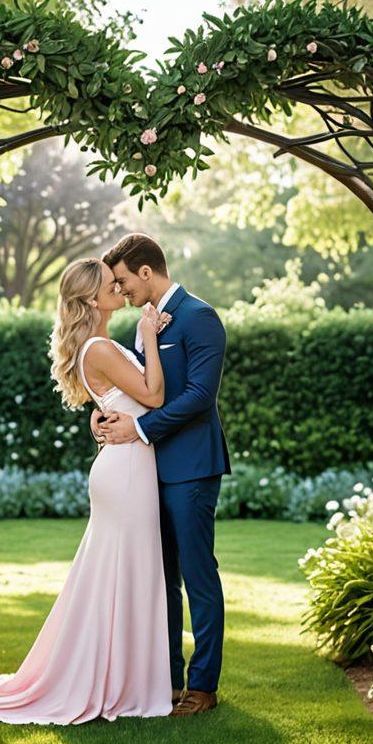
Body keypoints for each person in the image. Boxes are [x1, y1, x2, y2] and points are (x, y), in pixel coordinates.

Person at [0, 257, 174, 724]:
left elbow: (115, 401)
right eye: (110, 285)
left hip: (125, 466)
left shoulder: (97, 345)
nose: (119, 289)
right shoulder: (100, 348)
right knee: (123, 574)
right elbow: (154, 396)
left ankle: (122, 679)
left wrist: (102, 412)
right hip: (124, 471)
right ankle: (118, 684)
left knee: (121, 575)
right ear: (91, 299)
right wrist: (147, 338)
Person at [95, 232, 231, 717]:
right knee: (162, 580)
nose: (122, 290)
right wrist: (106, 417)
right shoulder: (144, 326)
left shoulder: (200, 318)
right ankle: (168, 679)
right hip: (149, 471)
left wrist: (140, 430)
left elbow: (199, 397)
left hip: (192, 468)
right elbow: (138, 390)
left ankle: (203, 686)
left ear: (147, 272)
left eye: (125, 280)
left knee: (197, 576)